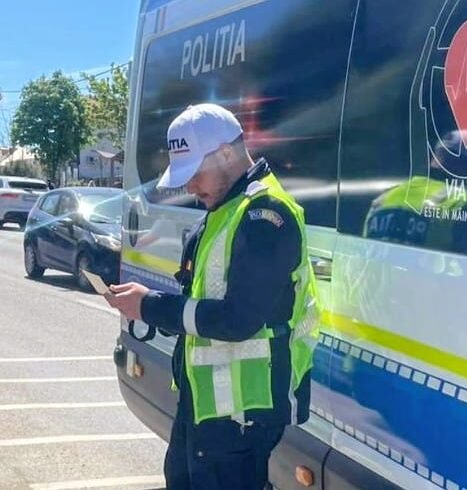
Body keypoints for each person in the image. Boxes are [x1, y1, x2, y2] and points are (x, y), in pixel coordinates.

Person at [105, 103, 320, 490]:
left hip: (242, 413)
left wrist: (149, 305)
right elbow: (204, 299)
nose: (189, 187)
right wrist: (149, 301)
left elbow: (237, 320)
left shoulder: (265, 215)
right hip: (208, 405)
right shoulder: (226, 209)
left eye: (195, 173)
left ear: (227, 153)